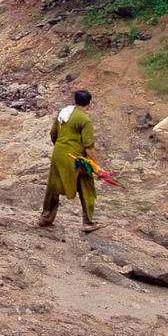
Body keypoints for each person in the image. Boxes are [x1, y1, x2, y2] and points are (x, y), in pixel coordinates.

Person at [40, 90, 102, 231]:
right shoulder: (85, 120)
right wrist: (96, 166)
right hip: (76, 159)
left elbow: (53, 134)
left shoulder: (64, 113)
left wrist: (61, 149)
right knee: (87, 186)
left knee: (53, 187)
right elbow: (89, 147)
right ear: (89, 104)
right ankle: (87, 223)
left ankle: (45, 218)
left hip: (58, 154)